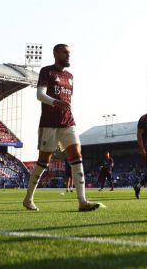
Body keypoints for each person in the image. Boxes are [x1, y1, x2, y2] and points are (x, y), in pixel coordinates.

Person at [23, 44, 101, 212]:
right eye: (65, 52)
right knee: (44, 161)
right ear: (55, 53)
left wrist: (62, 105)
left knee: (77, 155)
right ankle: (28, 198)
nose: (68, 55)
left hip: (68, 122)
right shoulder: (47, 72)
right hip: (49, 124)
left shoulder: (71, 76)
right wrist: (56, 102)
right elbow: (39, 95)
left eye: (69, 53)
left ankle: (82, 201)